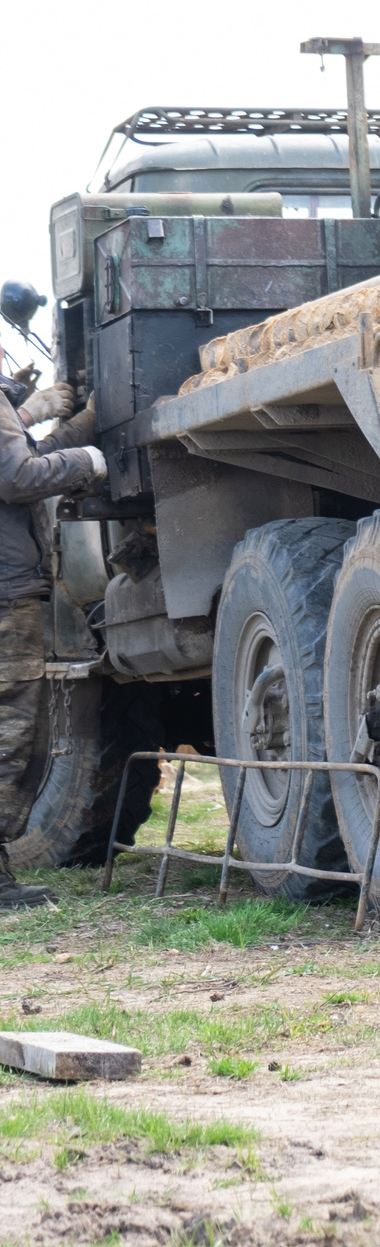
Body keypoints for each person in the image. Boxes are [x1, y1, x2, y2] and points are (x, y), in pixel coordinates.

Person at [0, 377, 105, 908]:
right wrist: (89, 460)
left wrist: (80, 425)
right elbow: (16, 475)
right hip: (4, 595)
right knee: (11, 737)